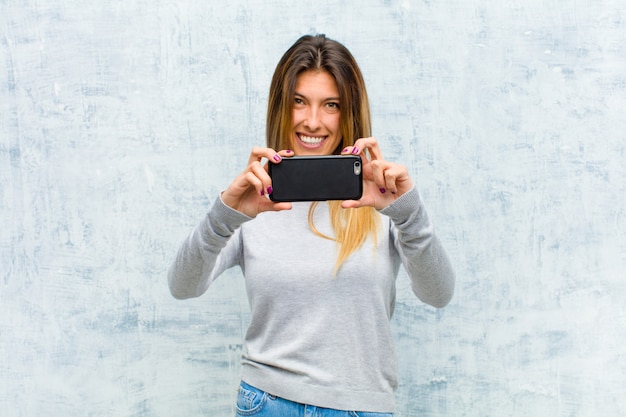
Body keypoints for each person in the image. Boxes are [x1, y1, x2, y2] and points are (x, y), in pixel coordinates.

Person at [168, 34, 455, 416]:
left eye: (330, 105)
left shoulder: (380, 198)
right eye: (299, 101)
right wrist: (225, 213)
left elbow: (438, 294)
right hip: (267, 403)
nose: (312, 121)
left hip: (361, 406)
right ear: (281, 107)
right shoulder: (253, 201)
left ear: (348, 113)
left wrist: (407, 211)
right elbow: (182, 286)